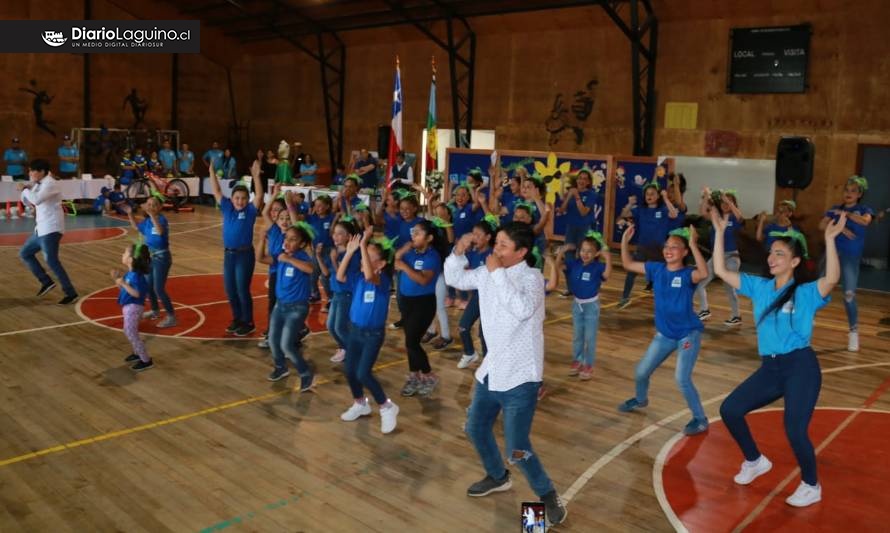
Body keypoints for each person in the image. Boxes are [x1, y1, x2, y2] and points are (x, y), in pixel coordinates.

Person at [714, 209, 847, 508]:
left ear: (795, 262)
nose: (772, 258)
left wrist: (830, 240)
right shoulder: (759, 287)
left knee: (795, 429)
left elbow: (833, 278)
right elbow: (721, 271)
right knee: (730, 410)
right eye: (771, 253)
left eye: (780, 254)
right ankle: (755, 460)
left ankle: (811, 485)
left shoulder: (806, 292)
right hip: (770, 368)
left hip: (800, 367)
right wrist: (721, 232)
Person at [443, 222, 567, 527]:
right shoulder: (488, 272)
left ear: (521, 252)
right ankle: (497, 476)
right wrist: (458, 252)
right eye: (495, 243)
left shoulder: (532, 279)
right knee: (475, 427)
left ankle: (547, 496)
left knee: (517, 445)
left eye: (502, 246)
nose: (495, 250)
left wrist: (496, 272)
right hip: (492, 369)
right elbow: (456, 277)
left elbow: (521, 308)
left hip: (521, 376)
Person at [617, 223, 710, 436]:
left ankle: (700, 419)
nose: (669, 250)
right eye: (667, 246)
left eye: (675, 246)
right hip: (665, 335)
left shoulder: (688, 274)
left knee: (681, 379)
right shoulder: (656, 269)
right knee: (640, 372)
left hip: (688, 333)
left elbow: (703, 272)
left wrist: (694, 244)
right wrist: (624, 241)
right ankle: (641, 400)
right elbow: (628, 264)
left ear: (684, 252)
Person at [338, 227, 400, 434]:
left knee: (363, 373)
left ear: (381, 264)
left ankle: (387, 406)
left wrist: (363, 245)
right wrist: (349, 252)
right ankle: (360, 403)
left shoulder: (381, 281)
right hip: (355, 330)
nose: (364, 260)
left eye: (370, 258)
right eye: (364, 256)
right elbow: (340, 276)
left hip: (372, 335)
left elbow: (369, 273)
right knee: (349, 370)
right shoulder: (358, 278)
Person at [209, 159, 264, 336]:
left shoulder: (249, 211)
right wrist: (211, 170)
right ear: (231, 199)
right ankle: (237, 318)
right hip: (229, 256)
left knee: (242, 289)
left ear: (247, 200)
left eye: (243, 198)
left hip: (244, 255)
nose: (239, 201)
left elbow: (260, 197)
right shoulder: (227, 208)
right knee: (230, 290)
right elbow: (216, 190)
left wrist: (256, 177)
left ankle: (249, 321)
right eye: (236, 198)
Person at [818, 176, 874, 352]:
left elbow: (865, 221)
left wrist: (846, 216)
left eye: (853, 191)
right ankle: (803, 319)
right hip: (832, 254)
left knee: (849, 295)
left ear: (859, 195)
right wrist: (841, 227)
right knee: (817, 288)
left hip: (851, 257)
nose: (848, 194)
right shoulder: (834, 209)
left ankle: (853, 332)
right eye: (846, 190)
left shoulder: (864, 209)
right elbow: (821, 225)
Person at [547, 231, 611, 380]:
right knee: (577, 336)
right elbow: (557, 268)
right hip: (577, 305)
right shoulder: (573, 264)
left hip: (591, 306)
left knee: (590, 337)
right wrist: (561, 253)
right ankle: (577, 360)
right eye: (583, 250)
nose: (585, 254)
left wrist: (608, 259)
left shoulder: (597, 267)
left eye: (590, 251)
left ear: (596, 254)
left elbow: (607, 276)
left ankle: (588, 365)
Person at [17, 159, 78, 304]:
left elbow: (36, 200)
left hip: (51, 228)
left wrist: (25, 189)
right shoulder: (39, 184)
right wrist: (28, 188)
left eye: (33, 171)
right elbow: (26, 201)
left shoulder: (50, 183)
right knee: (25, 253)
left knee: (51, 260)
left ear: (42, 172)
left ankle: (70, 292)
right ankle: (46, 281)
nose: (30, 173)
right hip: (41, 228)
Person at [394, 219, 443, 397]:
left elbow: (423, 280)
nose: (413, 235)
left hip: (423, 303)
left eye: (418, 233)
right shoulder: (410, 252)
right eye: (413, 232)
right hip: (407, 301)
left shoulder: (432, 256)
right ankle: (415, 375)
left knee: (411, 342)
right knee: (410, 341)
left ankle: (429, 375)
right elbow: (394, 261)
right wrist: (403, 251)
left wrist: (405, 267)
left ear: (429, 238)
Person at [266, 222, 317, 392]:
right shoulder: (281, 255)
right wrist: (260, 240)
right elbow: (261, 258)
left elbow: (310, 269)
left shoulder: (302, 257)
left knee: (287, 345)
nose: (287, 242)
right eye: (286, 238)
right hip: (280, 306)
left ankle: (305, 373)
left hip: (297, 308)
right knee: (273, 340)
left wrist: (288, 258)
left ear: (301, 244)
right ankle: (281, 367)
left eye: (293, 240)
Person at [617, 181, 679, 309]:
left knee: (662, 276)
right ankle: (625, 298)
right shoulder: (641, 209)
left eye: (652, 194)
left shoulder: (663, 209)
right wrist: (630, 204)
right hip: (643, 248)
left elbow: (674, 214)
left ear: (658, 196)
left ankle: (666, 302)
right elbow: (624, 214)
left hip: (659, 250)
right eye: (647, 194)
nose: (649, 196)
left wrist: (666, 198)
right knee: (631, 272)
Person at [695, 188, 745, 326]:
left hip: (731, 256)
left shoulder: (734, 218)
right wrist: (706, 195)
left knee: (729, 287)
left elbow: (740, 216)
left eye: (728, 202)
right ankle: (704, 309)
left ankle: (736, 316)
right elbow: (703, 212)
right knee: (700, 283)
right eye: (723, 202)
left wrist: (727, 198)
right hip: (717, 257)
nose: (725, 204)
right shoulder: (716, 216)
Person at [126, 196, 177, 328]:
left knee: (158, 289)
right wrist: (130, 214)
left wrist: (152, 215)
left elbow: (160, 231)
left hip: (162, 258)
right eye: (149, 204)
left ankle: (171, 317)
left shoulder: (161, 220)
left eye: (154, 204)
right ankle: (155, 310)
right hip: (151, 257)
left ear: (160, 207)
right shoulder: (147, 221)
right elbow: (136, 227)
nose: (151, 206)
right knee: (149, 286)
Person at [455, 215, 498, 369]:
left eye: (478, 235)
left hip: (491, 299)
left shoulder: (493, 255)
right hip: (477, 298)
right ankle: (469, 353)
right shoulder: (472, 254)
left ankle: (489, 364)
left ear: (488, 237)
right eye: (473, 234)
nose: (475, 238)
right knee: (463, 326)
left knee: (484, 333)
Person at [257, 186, 296, 348]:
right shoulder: (273, 230)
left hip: (289, 274)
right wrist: (273, 194)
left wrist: (289, 203)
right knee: (273, 304)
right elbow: (265, 213)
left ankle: (293, 331)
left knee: (288, 304)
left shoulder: (293, 233)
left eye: (287, 218)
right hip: (275, 273)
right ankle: (272, 333)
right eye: (281, 218)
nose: (285, 221)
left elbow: (295, 221)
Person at [319, 217, 361, 363]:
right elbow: (326, 273)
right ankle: (345, 348)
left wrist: (334, 260)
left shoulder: (353, 256)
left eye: (339, 233)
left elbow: (341, 277)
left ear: (349, 237)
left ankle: (354, 351)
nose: (335, 236)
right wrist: (319, 256)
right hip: (336, 294)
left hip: (346, 294)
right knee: (331, 326)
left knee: (340, 327)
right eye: (334, 233)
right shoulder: (335, 251)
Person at [113, 243, 154, 372]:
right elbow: (124, 288)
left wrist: (123, 283)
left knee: (131, 332)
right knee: (130, 331)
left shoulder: (136, 277)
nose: (122, 255)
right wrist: (117, 280)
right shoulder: (130, 274)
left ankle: (145, 360)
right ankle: (137, 353)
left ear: (131, 260)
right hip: (128, 306)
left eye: (125, 253)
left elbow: (136, 293)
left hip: (134, 307)